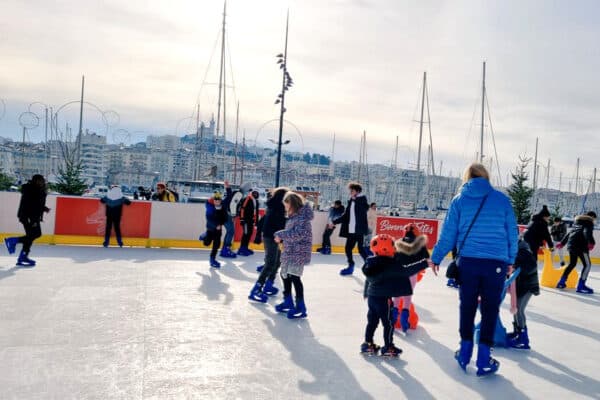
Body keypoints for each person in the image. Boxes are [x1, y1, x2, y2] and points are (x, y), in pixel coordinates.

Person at [431, 162, 518, 377]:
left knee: (467, 306)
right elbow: (512, 233)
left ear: (467, 177)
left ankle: (465, 351)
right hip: (495, 264)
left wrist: (435, 257)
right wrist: (510, 260)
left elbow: (448, 233)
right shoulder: (501, 200)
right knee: (490, 309)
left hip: (468, 262)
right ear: (486, 177)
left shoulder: (459, 200)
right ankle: (483, 358)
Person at [361, 232, 432, 356]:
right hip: (384, 300)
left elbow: (368, 279)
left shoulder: (370, 263)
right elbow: (407, 270)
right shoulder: (392, 264)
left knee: (372, 321)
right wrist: (424, 263)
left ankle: (367, 343)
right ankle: (388, 346)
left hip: (372, 298)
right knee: (388, 324)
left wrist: (366, 291)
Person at [273, 192, 314, 319]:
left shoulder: (303, 218)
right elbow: (291, 234)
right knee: (284, 274)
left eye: (286, 205)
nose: (285, 207)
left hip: (298, 252)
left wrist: (281, 234)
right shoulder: (293, 217)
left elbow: (298, 234)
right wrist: (282, 238)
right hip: (289, 250)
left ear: (292, 204)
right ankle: (288, 301)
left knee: (294, 277)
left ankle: (301, 307)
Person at [248, 187, 289, 302]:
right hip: (272, 238)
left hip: (274, 237)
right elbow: (277, 224)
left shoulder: (276, 207)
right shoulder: (277, 208)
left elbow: (266, 221)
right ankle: (256, 289)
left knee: (277, 261)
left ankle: (269, 284)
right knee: (270, 263)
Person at [4, 174, 51, 267]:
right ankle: (13, 241)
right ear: (35, 181)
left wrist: (44, 208)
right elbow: (31, 205)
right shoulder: (32, 190)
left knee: (31, 236)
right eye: (40, 181)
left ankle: (23, 256)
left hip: (29, 216)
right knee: (35, 234)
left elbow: (36, 204)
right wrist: (33, 220)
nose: (42, 182)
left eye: (43, 181)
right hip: (29, 217)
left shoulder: (35, 189)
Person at [391, 223, 426, 333]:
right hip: (412, 274)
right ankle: (404, 319)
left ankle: (393, 319)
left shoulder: (398, 242)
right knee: (407, 298)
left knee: (396, 298)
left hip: (398, 274)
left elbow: (392, 258)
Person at [331, 182, 369, 275]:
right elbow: (346, 216)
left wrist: (356, 200)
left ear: (357, 191)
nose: (350, 192)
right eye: (350, 190)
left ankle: (369, 265)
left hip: (358, 230)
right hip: (351, 230)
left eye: (352, 190)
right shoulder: (351, 201)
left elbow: (365, 208)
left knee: (358, 248)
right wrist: (334, 222)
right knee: (350, 248)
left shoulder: (362, 200)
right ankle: (352, 266)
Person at [507, 238, 539, 350]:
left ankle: (523, 339)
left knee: (519, 309)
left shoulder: (524, 251)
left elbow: (532, 267)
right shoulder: (517, 251)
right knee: (515, 309)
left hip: (528, 286)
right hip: (521, 286)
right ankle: (517, 332)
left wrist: (518, 268)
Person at [556, 211, 596, 294]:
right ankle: (581, 285)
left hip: (571, 245)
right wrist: (591, 242)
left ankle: (561, 282)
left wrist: (562, 243)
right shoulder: (589, 222)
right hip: (581, 246)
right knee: (587, 265)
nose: (594, 221)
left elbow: (570, 233)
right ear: (591, 217)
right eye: (594, 219)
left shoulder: (577, 222)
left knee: (572, 264)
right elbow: (586, 232)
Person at [200, 191, 228, 268]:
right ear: (213, 201)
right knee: (206, 244)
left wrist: (220, 224)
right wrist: (216, 225)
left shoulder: (223, 208)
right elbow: (209, 219)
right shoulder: (210, 208)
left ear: (220, 201)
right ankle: (204, 236)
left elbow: (225, 218)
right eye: (215, 200)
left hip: (218, 231)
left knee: (216, 245)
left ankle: (212, 259)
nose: (217, 202)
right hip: (210, 229)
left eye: (218, 201)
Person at [238, 189, 260, 256]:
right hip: (246, 220)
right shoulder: (247, 199)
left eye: (257, 194)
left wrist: (256, 222)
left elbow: (256, 212)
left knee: (249, 234)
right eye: (254, 193)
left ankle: (245, 248)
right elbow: (242, 209)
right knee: (246, 234)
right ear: (252, 193)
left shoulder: (256, 201)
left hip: (251, 221)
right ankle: (242, 249)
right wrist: (242, 219)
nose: (255, 195)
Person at [219, 180, 237, 258]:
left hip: (225, 216)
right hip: (225, 217)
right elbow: (229, 194)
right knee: (231, 232)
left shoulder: (229, 201)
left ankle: (225, 249)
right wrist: (227, 187)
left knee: (229, 232)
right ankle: (226, 249)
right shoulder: (228, 199)